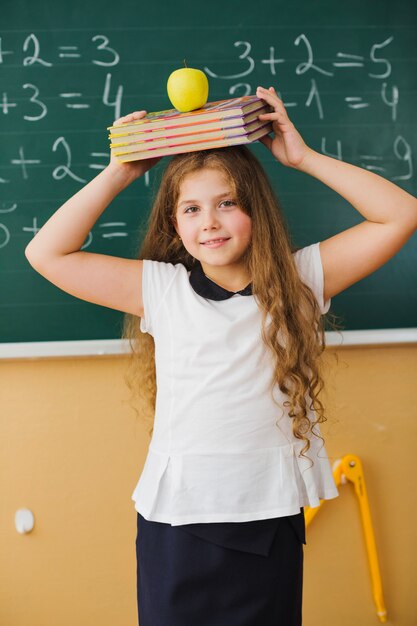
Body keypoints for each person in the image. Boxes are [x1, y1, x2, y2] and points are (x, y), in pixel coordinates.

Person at [25, 85, 417, 626]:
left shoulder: (300, 281)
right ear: (175, 226)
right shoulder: (160, 289)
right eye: (191, 208)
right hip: (176, 525)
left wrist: (302, 157)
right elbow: (45, 253)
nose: (209, 221)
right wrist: (120, 171)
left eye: (226, 203)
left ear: (255, 211)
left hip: (267, 519)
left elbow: (400, 215)